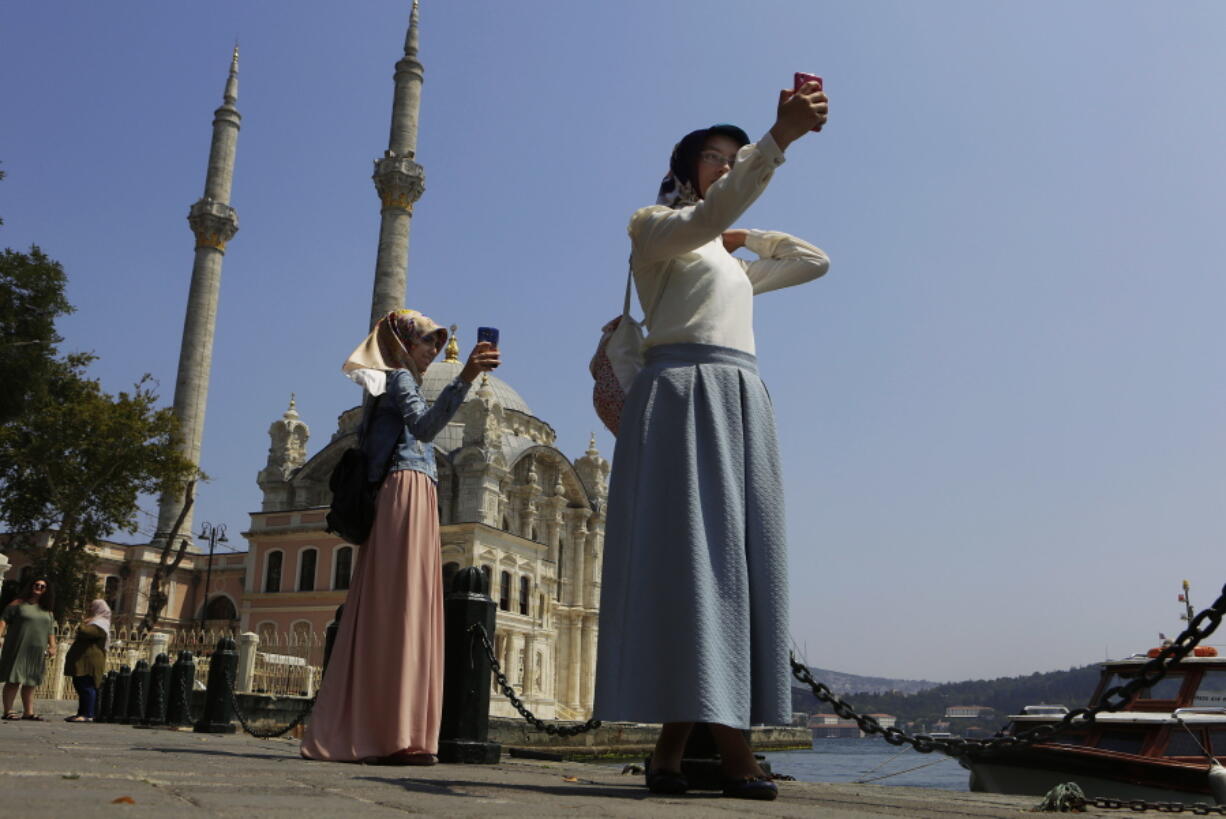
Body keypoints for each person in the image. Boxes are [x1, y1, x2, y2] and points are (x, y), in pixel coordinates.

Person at [594, 82, 830, 801]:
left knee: (731, 561)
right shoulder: (653, 230)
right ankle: (734, 754)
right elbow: (709, 214)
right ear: (685, 170)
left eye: (737, 157)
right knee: (698, 563)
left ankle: (669, 754)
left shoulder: (727, 263)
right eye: (715, 157)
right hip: (681, 393)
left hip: (738, 395)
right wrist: (776, 141)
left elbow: (814, 261)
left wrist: (748, 238)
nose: (728, 165)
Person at [301, 309, 501, 763]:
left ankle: (390, 728)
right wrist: (466, 374)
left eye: (437, 342)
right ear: (403, 344)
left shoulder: (388, 383)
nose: (433, 350)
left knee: (398, 605)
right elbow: (426, 428)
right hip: (404, 486)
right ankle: (393, 732)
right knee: (404, 606)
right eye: (428, 341)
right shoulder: (399, 379)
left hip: (410, 487)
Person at [0, 577, 58, 721]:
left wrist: (53, 646)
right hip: (18, 646)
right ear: (31, 586)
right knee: (14, 679)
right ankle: (8, 710)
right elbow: (3, 620)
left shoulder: (48, 610)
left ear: (46, 591)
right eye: (36, 585)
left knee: (31, 681)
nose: (38, 587)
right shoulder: (18, 603)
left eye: (42, 586)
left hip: (37, 650)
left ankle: (28, 712)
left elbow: (50, 630)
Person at [62, 599, 110, 722]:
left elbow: (84, 631)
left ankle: (88, 714)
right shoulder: (95, 622)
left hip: (89, 661)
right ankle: (81, 713)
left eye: (92, 607)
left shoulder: (100, 623)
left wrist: (84, 621)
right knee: (80, 685)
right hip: (83, 660)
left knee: (86, 686)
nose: (90, 609)